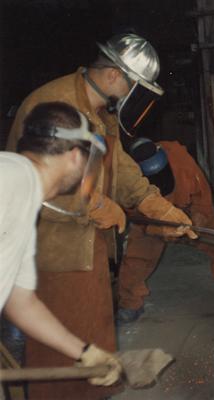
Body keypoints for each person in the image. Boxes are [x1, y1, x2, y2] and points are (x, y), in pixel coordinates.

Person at [6, 33, 197, 399]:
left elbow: (120, 167)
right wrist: (96, 206)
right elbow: (45, 185)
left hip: (91, 248)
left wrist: (158, 207)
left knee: (93, 343)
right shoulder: (55, 105)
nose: (130, 96)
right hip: (55, 254)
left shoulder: (100, 113)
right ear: (113, 75)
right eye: (133, 87)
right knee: (56, 355)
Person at [0, 102, 123, 397]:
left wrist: (84, 352)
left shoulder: (25, 191)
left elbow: (20, 301)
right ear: (74, 156)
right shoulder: (10, 180)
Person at [116, 138, 214, 323]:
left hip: (187, 209)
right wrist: (160, 229)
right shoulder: (127, 180)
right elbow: (136, 218)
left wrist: (199, 219)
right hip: (150, 216)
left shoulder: (179, 158)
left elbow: (202, 195)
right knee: (137, 258)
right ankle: (130, 304)